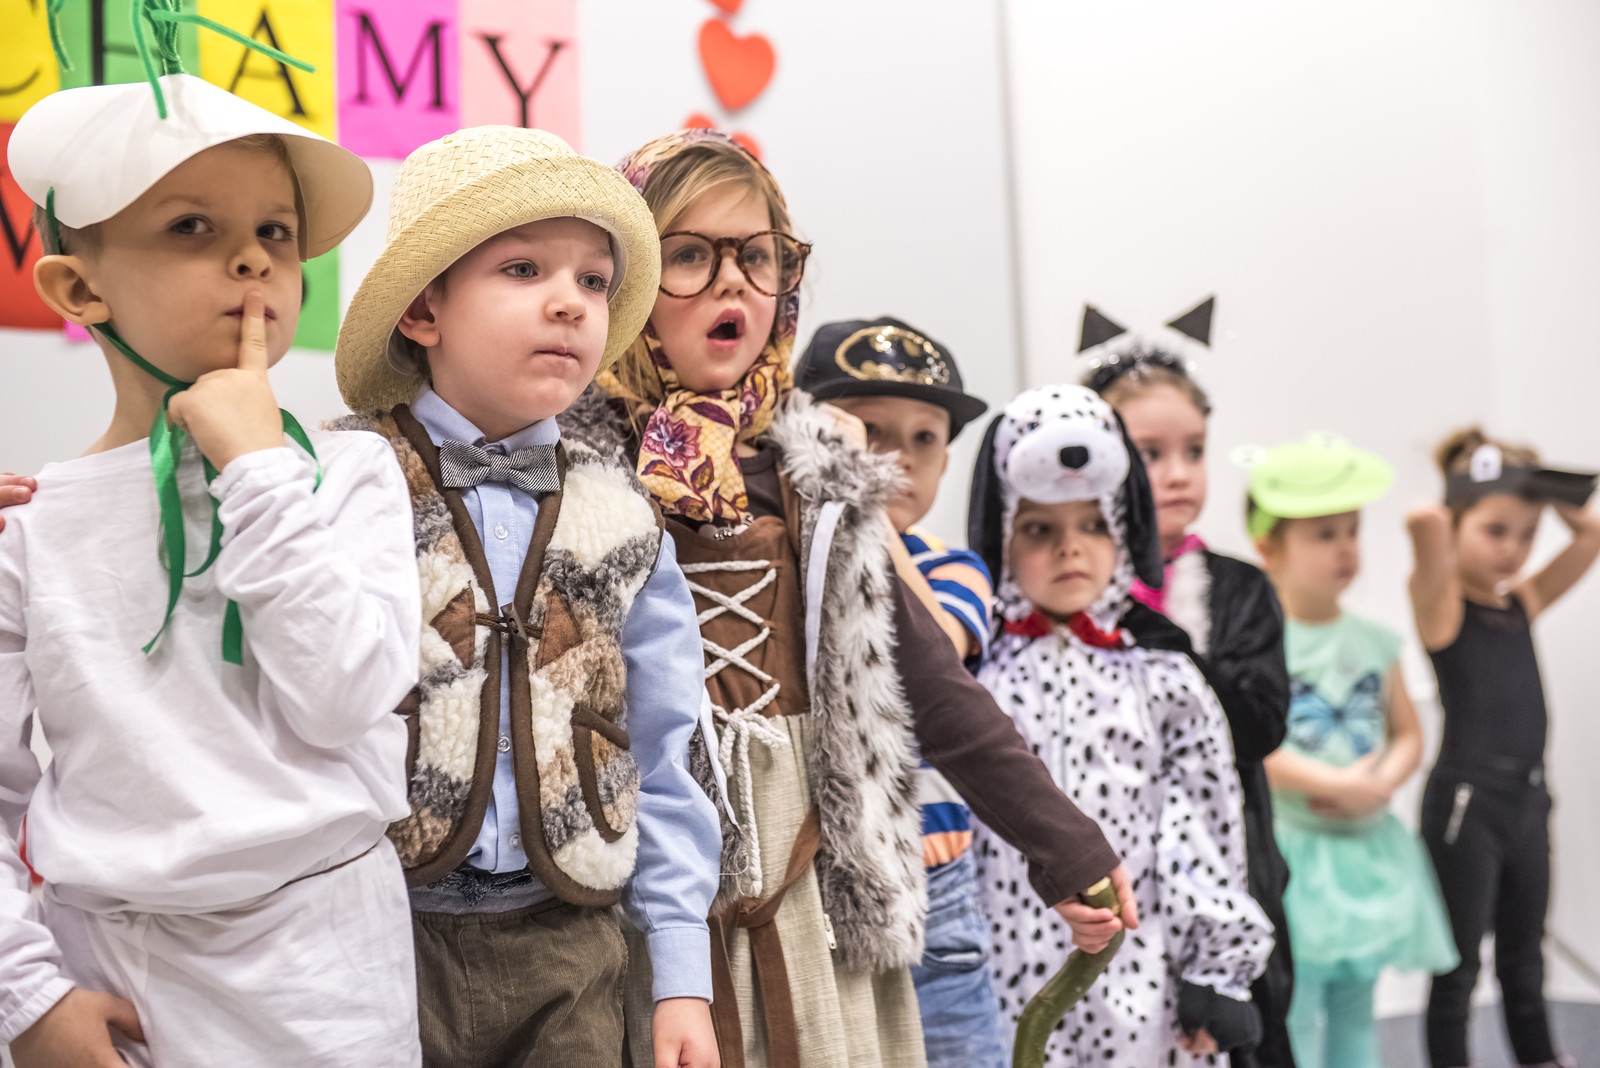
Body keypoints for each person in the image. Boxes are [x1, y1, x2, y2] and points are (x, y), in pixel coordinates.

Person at [565, 128, 1135, 1068]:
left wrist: (1065, 843)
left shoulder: (817, 475)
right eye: (692, 256)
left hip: (816, 871)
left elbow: (927, 682)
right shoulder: (574, 468)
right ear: (628, 279)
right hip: (653, 871)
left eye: (757, 256)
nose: (734, 283)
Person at [0, 61, 421, 1068]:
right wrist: (27, 997)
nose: (251, 259)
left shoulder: (348, 472)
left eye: (276, 231)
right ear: (80, 287)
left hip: (332, 973)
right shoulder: (30, 531)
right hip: (117, 971)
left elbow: (345, 695)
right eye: (193, 226)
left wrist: (257, 467)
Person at [331, 126, 723, 1068]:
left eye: (594, 281)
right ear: (423, 310)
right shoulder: (338, 485)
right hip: (376, 932)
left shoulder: (624, 516)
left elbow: (665, 750)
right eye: (521, 269)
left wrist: (681, 975)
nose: (569, 302)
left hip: (569, 945)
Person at [967, 383, 1273, 1066]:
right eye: (1039, 529)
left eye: (1094, 525)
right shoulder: (973, 678)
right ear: (1002, 533)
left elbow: (1201, 827)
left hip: (1142, 983)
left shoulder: (1164, 680)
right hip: (1002, 974)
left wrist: (1216, 970)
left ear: (1124, 529)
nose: (1070, 549)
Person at [796, 315, 1006, 1067]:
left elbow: (933, 656)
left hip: (935, 887)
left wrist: (863, 506)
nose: (898, 457)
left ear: (947, 459)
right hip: (821, 886)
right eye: (870, 433)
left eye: (924, 438)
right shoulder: (790, 565)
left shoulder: (954, 568)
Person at [1086, 349, 1296, 1068]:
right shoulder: (1071, 586)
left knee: (1246, 1034)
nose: (1178, 474)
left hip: (1236, 862)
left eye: (1194, 451)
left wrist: (1162, 637)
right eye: (1151, 453)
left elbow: (1259, 725)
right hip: (1112, 871)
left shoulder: (1240, 588)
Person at [1245, 436, 1457, 1068]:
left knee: (1358, 1004)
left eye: (1351, 532)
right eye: (1323, 535)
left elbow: (1408, 732)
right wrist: (1337, 786)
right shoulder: (1262, 645)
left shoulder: (1375, 640)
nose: (1345, 549)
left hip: (1367, 852)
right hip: (1297, 854)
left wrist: (1382, 783)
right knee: (1297, 1006)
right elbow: (1255, 745)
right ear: (1269, 548)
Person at [1408, 428, 1600, 1068]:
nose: (1513, 549)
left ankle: (1539, 1057)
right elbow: (1423, 523)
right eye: (1495, 531)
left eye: (1526, 534)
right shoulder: (1441, 608)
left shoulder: (1522, 601)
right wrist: (1479, 478)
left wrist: (1542, 488)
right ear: (1459, 519)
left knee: (1525, 957)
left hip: (1528, 800)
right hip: (1467, 805)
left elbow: (1592, 535)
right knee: (1458, 964)